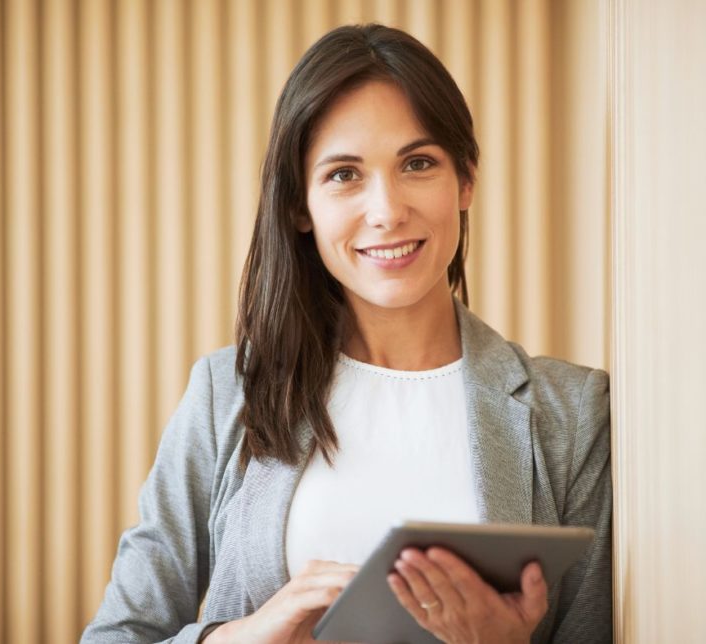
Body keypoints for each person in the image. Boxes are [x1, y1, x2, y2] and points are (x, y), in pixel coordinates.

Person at [81, 23, 611, 644]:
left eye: (417, 163)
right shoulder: (228, 394)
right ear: (300, 206)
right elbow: (116, 636)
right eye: (344, 175)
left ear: (465, 180)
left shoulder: (574, 415)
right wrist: (237, 638)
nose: (386, 210)